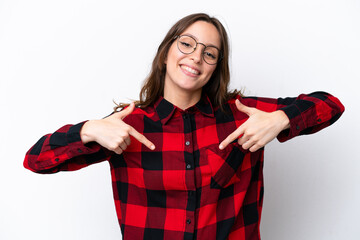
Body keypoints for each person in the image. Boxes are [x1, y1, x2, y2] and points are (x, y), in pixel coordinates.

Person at [24, 13, 344, 240]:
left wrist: (282, 118)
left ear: (216, 68)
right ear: (166, 53)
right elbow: (35, 160)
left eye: (210, 53)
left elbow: (331, 105)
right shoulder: (127, 124)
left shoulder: (242, 114)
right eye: (187, 44)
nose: (196, 57)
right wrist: (87, 131)